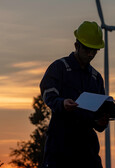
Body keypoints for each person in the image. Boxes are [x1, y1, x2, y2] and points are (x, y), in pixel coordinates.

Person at [40, 21, 109, 168]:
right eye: (87, 49)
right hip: (60, 148)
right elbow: (48, 95)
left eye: (94, 50)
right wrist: (62, 103)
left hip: (87, 152)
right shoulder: (59, 68)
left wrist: (101, 122)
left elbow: (98, 114)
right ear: (76, 45)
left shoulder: (96, 78)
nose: (91, 54)